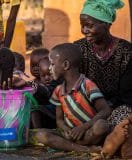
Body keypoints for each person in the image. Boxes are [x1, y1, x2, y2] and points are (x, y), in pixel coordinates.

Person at [35, 43, 112, 153]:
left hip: (88, 133)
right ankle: (85, 149)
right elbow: (59, 120)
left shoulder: (87, 85)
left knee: (101, 126)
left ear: (65, 65)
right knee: (40, 135)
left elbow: (105, 110)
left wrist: (83, 127)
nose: (50, 69)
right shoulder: (58, 91)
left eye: (52, 64)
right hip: (70, 136)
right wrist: (65, 129)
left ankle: (73, 146)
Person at [74, 0, 132, 128]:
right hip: (85, 107)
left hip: (116, 108)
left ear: (106, 24)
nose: (84, 30)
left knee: (122, 120)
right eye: (82, 25)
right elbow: (65, 81)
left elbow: (126, 95)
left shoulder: (127, 52)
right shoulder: (78, 48)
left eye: (89, 25)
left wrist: (103, 110)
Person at [30, 58, 57, 129]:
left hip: (55, 116)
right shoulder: (38, 84)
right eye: (43, 75)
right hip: (45, 117)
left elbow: (47, 91)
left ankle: (38, 132)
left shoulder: (58, 84)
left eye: (50, 74)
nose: (47, 78)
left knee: (35, 108)